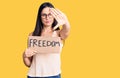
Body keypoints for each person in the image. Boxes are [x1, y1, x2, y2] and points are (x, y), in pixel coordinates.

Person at [23, 2, 70, 78]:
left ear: (54, 16)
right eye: (44, 15)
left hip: (54, 75)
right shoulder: (32, 35)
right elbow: (29, 64)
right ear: (40, 17)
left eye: (50, 14)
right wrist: (24, 56)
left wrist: (66, 22)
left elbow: (67, 31)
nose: (47, 18)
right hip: (34, 75)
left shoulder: (59, 34)